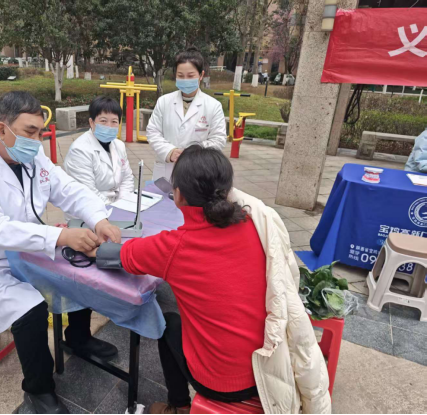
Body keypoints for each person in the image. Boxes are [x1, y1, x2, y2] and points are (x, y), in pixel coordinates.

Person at [92, 145, 332, 415]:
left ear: (178, 195)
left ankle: (179, 407)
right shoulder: (254, 225)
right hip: (268, 365)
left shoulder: (175, 247)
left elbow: (117, 255)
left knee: (168, 324)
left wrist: (82, 241)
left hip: (220, 383)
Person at [0, 91, 122, 415]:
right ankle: (38, 391)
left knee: (79, 269)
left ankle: (78, 338)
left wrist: (99, 219)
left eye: (40, 133)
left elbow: (69, 190)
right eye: (30, 132)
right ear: (1, 129)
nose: (37, 142)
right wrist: (61, 235)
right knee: (31, 309)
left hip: (24, 249)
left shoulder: (31, 156)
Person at [147, 48, 227, 181]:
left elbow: (218, 139)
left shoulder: (213, 106)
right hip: (166, 170)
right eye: (180, 75)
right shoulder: (164, 102)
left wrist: (192, 154)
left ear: (201, 75)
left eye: (190, 76)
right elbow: (153, 132)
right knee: (164, 194)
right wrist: (169, 152)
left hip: (198, 170)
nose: (185, 80)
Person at [64, 96, 134, 205]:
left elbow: (127, 179)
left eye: (114, 121)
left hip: (117, 204)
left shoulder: (119, 145)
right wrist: (114, 208)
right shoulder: (79, 150)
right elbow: (88, 192)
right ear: (91, 122)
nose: (109, 126)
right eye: (103, 121)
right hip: (88, 208)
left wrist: (123, 203)